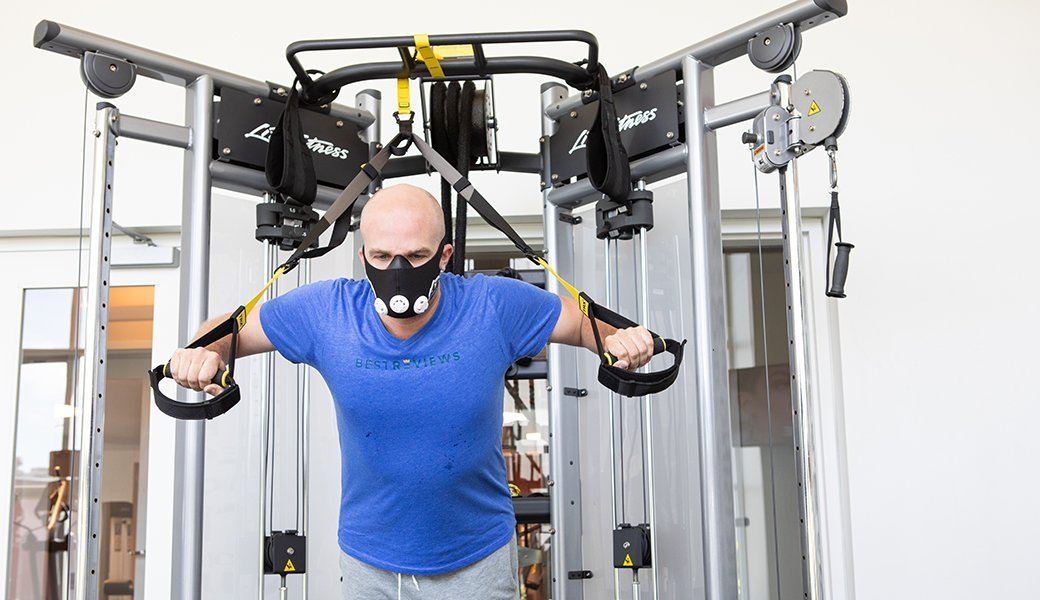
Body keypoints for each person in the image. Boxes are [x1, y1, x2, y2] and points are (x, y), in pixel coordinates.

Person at [169, 183, 654, 599]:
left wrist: (623, 341)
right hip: (370, 562)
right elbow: (230, 329)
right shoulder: (327, 312)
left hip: (477, 558)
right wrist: (201, 352)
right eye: (381, 256)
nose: (397, 268)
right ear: (363, 256)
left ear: (445, 255)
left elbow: (587, 323)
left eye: (417, 255)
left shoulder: (492, 305)